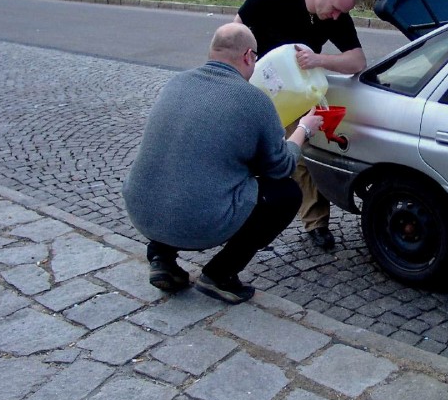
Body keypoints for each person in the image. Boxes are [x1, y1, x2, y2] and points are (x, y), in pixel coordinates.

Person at [122, 23, 324, 304]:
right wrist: (305, 129)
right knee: (286, 193)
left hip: (141, 210)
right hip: (197, 223)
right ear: (248, 57)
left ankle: (161, 257)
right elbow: (281, 167)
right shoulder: (254, 99)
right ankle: (220, 275)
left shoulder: (176, 82)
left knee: (184, 168)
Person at [234, 0, 367, 249]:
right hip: (255, 88)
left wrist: (318, 59)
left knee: (303, 156)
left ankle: (316, 224)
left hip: (295, 94)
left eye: (341, 13)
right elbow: (233, 33)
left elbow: (357, 61)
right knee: (245, 155)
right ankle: (240, 219)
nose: (335, 17)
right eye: (333, 9)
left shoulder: (337, 16)